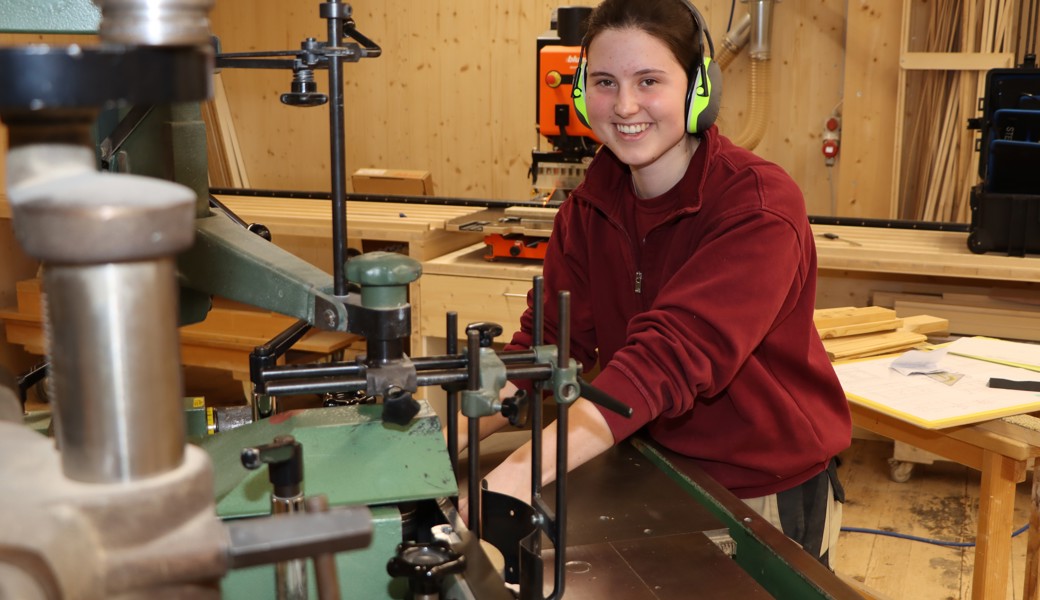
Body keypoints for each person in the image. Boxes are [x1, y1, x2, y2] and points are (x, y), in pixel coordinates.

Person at [465, 0, 852, 567]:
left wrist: (515, 477)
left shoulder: (757, 204)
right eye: (605, 82)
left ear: (698, 89)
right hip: (653, 465)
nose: (625, 106)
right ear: (582, 93)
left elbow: (667, 359)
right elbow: (547, 348)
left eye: (649, 81)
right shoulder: (589, 207)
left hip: (762, 489)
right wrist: (443, 436)